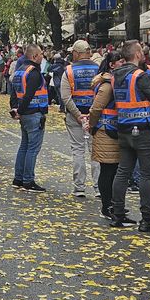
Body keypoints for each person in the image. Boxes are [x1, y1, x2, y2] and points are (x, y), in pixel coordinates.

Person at [109, 40, 150, 232]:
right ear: (136, 54)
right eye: (141, 51)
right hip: (143, 129)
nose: (143, 54)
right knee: (147, 175)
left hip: (124, 128)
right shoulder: (140, 76)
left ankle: (118, 214)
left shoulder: (115, 76)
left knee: (123, 172)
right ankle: (147, 219)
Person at [60, 40, 100, 197]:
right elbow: (103, 94)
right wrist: (92, 114)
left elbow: (66, 97)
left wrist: (78, 115)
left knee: (78, 151)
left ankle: (79, 187)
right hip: (95, 116)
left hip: (74, 116)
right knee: (95, 152)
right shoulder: (98, 69)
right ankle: (99, 187)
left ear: (76, 53)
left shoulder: (69, 71)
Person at [88, 52, 124, 219]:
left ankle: (112, 204)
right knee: (108, 170)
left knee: (113, 170)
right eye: (121, 61)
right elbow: (96, 108)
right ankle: (106, 206)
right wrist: (92, 125)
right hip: (105, 131)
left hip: (111, 130)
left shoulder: (113, 82)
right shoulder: (107, 85)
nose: (123, 64)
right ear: (111, 64)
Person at [10, 44, 49, 192]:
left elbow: (14, 93)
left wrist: (16, 109)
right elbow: (29, 95)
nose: (42, 57)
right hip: (34, 113)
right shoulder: (34, 72)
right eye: (40, 54)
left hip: (25, 115)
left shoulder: (20, 71)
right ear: (34, 56)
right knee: (32, 148)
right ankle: (28, 180)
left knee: (24, 146)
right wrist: (20, 110)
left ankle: (18, 179)